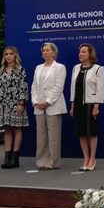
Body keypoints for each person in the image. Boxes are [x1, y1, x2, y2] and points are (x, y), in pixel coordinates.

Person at [31, 42, 67, 170]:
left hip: (53, 106)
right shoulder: (38, 68)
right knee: (41, 136)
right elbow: (34, 86)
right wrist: (35, 101)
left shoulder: (60, 67)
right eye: (43, 50)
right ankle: (41, 162)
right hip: (39, 107)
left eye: (47, 50)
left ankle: (53, 162)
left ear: (54, 52)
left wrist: (47, 102)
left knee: (54, 137)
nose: (45, 52)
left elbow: (58, 87)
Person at [69, 43, 104, 172]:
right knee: (81, 133)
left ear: (90, 54)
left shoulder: (98, 69)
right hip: (78, 105)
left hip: (90, 104)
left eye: (83, 52)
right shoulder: (75, 68)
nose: (80, 54)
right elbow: (73, 88)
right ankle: (85, 158)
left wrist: (97, 106)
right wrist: (72, 105)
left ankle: (92, 159)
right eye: (80, 52)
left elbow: (100, 89)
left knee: (91, 132)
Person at [0, 46, 30, 169]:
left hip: (15, 103)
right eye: (6, 54)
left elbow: (23, 87)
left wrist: (21, 103)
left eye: (11, 54)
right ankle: (7, 157)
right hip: (4, 104)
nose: (8, 56)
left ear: (15, 56)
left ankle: (15, 157)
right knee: (7, 129)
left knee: (17, 128)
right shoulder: (1, 70)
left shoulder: (20, 70)